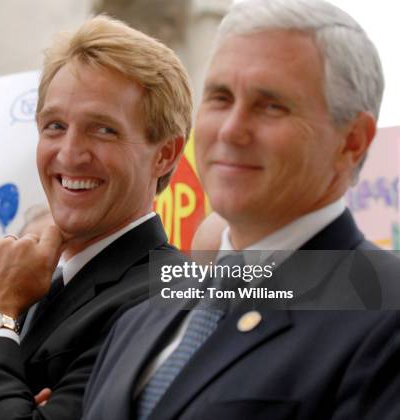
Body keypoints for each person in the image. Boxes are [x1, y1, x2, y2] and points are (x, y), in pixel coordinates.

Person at [81, 1, 400, 419]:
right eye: (219, 97)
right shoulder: (143, 317)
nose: (231, 129)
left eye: (271, 105)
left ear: (352, 141)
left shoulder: (385, 313)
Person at [0, 15, 193, 420]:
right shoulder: (25, 285)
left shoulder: (173, 293)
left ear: (165, 154)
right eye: (55, 126)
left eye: (103, 130)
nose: (69, 153)